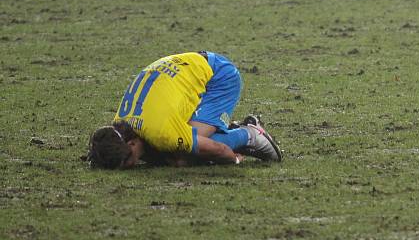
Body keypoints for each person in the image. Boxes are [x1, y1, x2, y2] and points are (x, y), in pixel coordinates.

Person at [87, 51, 282, 169]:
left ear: (131, 143)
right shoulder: (121, 123)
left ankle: (250, 133)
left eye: (127, 162)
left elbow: (218, 150)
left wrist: (235, 161)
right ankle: (222, 127)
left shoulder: (162, 133)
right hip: (189, 67)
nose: (130, 167)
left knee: (186, 156)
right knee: (171, 153)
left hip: (220, 77)